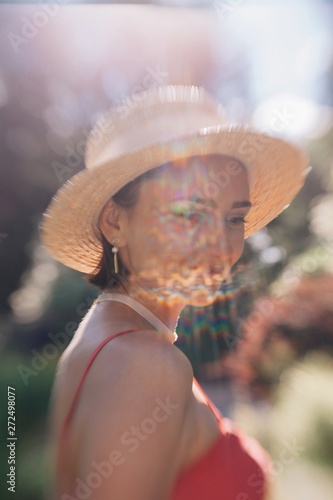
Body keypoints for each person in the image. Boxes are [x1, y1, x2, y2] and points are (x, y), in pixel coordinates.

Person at [40, 85, 309, 500]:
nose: (220, 245)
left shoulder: (98, 342)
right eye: (188, 213)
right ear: (115, 221)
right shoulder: (147, 365)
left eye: (233, 218)